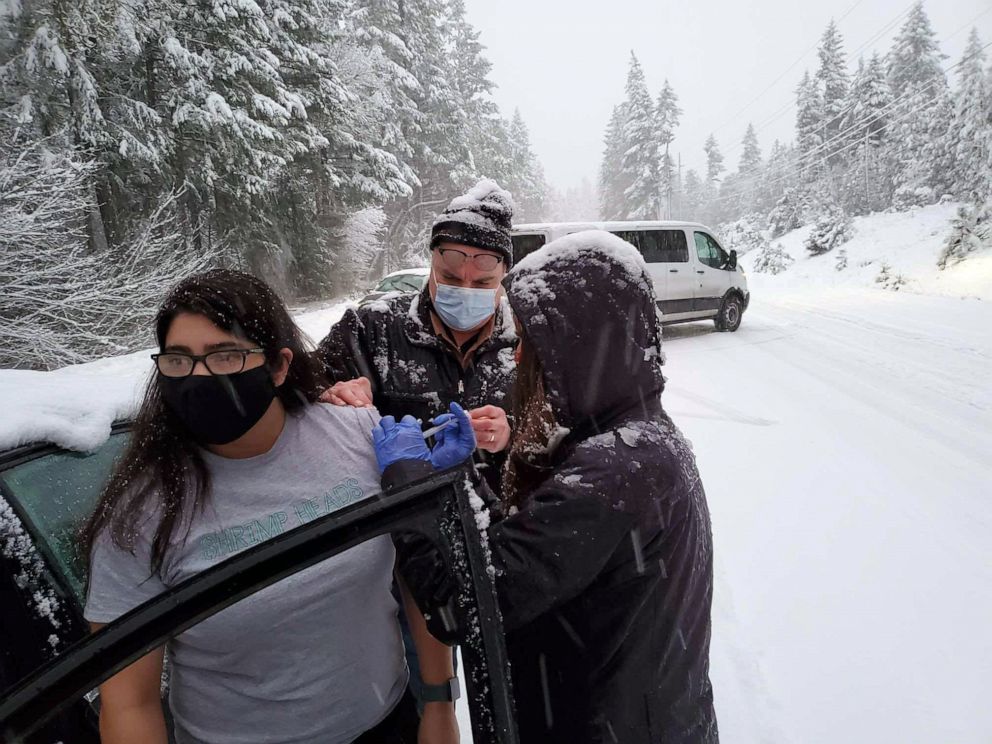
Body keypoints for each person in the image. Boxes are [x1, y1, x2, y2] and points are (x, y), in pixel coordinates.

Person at [81, 269, 459, 744]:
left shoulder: (356, 434)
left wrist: (440, 702)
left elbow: (414, 572)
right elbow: (129, 702)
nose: (200, 378)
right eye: (179, 361)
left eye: (226, 356)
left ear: (279, 367)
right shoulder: (143, 515)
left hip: (388, 724)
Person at [374, 231, 719, 743]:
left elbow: (466, 605)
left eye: (531, 345)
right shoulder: (636, 439)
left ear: (577, 347)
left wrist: (409, 487)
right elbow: (524, 554)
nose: (517, 360)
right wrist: (459, 478)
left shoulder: (618, 469)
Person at [317, 179, 518, 497]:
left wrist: (512, 435)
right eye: (451, 278)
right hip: (400, 530)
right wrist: (329, 397)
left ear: (503, 275)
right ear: (432, 266)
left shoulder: (525, 343)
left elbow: (558, 439)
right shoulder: (371, 328)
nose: (465, 291)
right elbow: (296, 404)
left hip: (495, 530)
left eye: (482, 283)